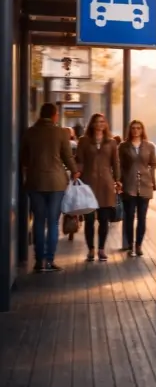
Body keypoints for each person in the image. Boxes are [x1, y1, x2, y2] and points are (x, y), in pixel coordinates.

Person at [20, 103, 80, 272]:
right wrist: (75, 171)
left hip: (35, 182)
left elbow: (24, 158)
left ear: (40, 114)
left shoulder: (30, 132)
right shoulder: (61, 133)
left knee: (39, 221)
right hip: (56, 183)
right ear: (55, 115)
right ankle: (49, 260)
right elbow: (67, 156)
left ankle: (39, 261)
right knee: (52, 222)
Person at [76, 113, 121, 262]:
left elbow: (115, 163)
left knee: (103, 219)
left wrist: (118, 180)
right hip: (88, 183)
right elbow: (80, 161)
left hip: (106, 185)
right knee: (89, 220)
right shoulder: (84, 141)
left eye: (102, 121)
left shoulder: (112, 142)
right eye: (97, 121)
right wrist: (77, 173)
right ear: (92, 124)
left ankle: (101, 249)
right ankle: (91, 249)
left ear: (105, 124)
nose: (100, 124)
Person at [118, 120, 156, 257]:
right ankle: (130, 244)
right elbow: (119, 165)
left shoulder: (149, 146)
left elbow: (153, 164)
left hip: (145, 185)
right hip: (129, 185)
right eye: (133, 128)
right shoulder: (123, 146)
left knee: (142, 217)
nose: (136, 130)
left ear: (142, 130)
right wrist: (119, 181)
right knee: (129, 217)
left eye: (138, 128)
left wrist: (152, 179)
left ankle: (138, 245)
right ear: (130, 130)